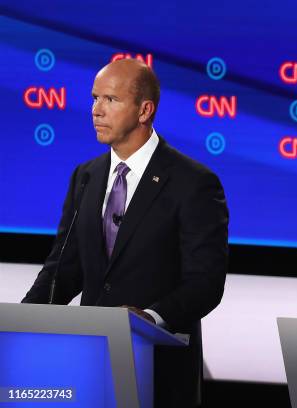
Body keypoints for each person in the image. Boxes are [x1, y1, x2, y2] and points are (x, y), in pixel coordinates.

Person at [22, 59, 229, 407]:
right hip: (89, 365)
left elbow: (205, 283)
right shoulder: (85, 176)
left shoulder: (193, 183)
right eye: (94, 98)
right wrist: (21, 323)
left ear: (144, 110)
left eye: (110, 100)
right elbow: (63, 269)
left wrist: (148, 318)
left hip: (158, 371)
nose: (96, 110)